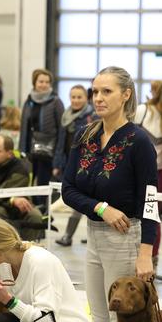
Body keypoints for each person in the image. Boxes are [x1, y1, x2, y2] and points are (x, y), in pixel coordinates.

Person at [62, 66, 158, 322]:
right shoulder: (85, 135)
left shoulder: (139, 142)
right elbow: (68, 189)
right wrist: (100, 207)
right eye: (95, 92)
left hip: (128, 237)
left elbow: (151, 200)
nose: (98, 98)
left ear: (126, 95)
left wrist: (146, 250)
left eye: (106, 92)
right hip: (95, 234)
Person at [132, 79, 162, 268]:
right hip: (133, 170)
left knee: (152, 215)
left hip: (158, 172)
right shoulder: (144, 110)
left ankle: (152, 258)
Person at [0, 134, 44, 241]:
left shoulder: (22, 168)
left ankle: (25, 249)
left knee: (35, 215)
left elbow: (0, 193)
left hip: (18, 207)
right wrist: (12, 199)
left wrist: (11, 199)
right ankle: (1, 250)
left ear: (9, 153)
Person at [55, 84, 96, 247]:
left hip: (87, 165)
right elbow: (61, 142)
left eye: (80, 97)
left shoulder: (92, 116)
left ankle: (68, 235)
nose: (76, 100)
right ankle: (70, 235)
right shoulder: (66, 116)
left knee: (82, 200)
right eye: (73, 97)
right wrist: (57, 163)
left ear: (86, 99)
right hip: (70, 163)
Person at [19, 68, 66, 195]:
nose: (44, 85)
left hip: (48, 153)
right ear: (34, 83)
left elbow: (62, 130)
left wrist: (58, 157)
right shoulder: (29, 101)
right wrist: (22, 151)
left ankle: (44, 212)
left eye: (47, 82)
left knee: (44, 186)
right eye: (41, 81)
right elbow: (23, 127)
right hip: (31, 152)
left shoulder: (56, 101)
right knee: (28, 185)